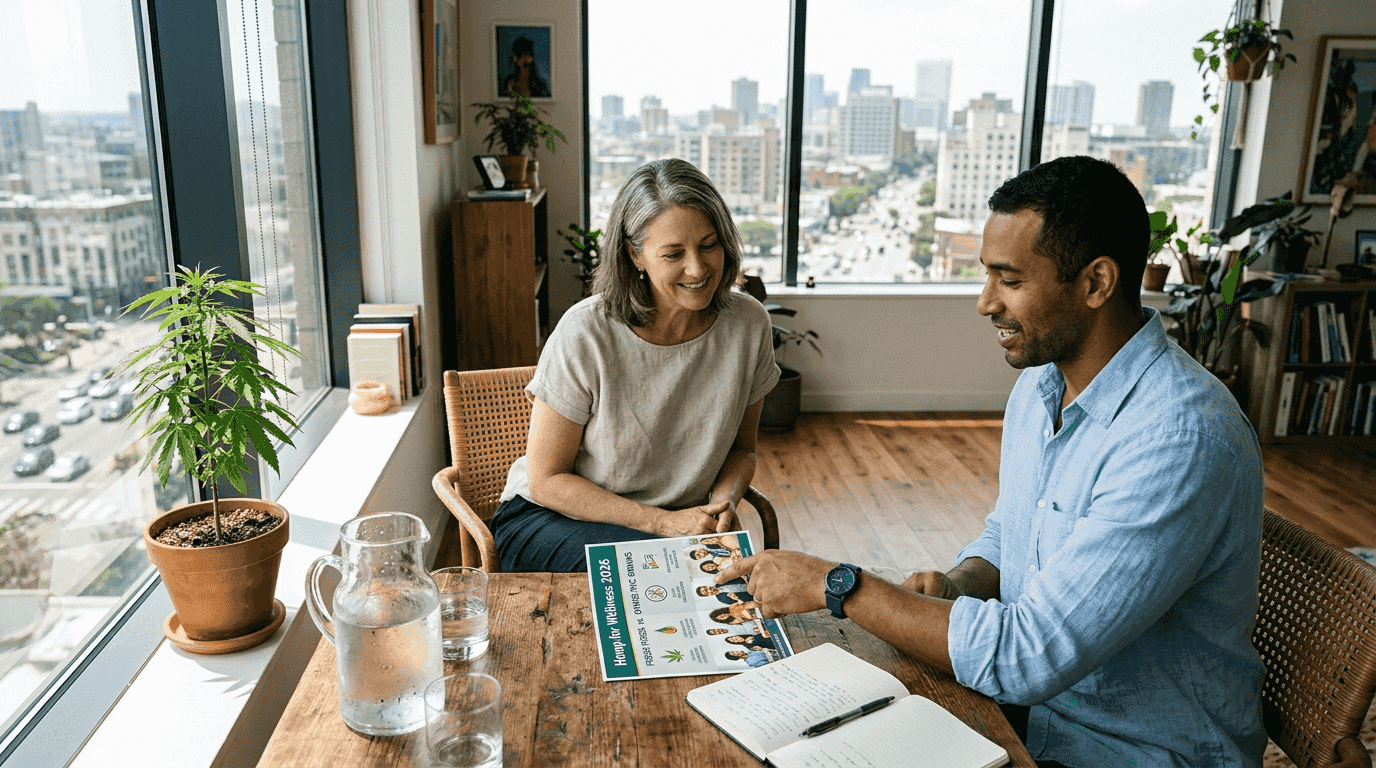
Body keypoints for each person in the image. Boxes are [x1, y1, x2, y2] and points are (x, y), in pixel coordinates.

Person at [718, 156, 1266, 768]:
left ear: (1095, 283)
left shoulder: (1177, 438)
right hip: (1034, 720)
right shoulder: (1041, 388)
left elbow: (1029, 657)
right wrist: (963, 582)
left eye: (1008, 280)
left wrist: (836, 583)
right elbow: (1015, 532)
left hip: (1134, 753)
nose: (984, 303)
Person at [490, 158, 780, 572]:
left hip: (674, 530)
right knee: (665, 574)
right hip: (551, 518)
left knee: (705, 589)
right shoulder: (585, 332)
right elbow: (547, 481)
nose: (697, 269)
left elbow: (742, 450)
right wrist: (662, 523)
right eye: (673, 253)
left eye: (709, 244)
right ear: (636, 255)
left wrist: (723, 502)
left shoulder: (748, 325)